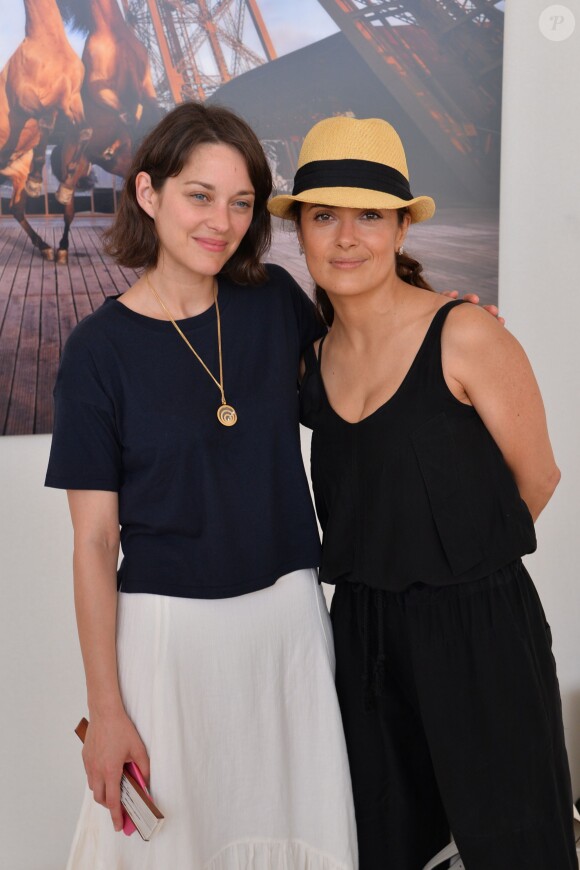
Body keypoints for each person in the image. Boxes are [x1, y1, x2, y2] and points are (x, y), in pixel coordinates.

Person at [45, 102, 358, 870]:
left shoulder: (273, 303)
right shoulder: (96, 353)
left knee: (295, 837)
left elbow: (364, 389)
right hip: (168, 644)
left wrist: (447, 334)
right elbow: (92, 542)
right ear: (148, 194)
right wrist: (105, 709)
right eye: (200, 195)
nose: (221, 221)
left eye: (241, 201)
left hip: (287, 631)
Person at [268, 116, 578, 870]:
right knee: (385, 844)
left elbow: (537, 475)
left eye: (370, 214)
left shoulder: (466, 332)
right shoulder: (309, 360)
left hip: (480, 625)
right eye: (324, 216)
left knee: (516, 844)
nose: (347, 238)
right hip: (364, 636)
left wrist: (457, 567)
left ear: (402, 228)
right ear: (301, 232)